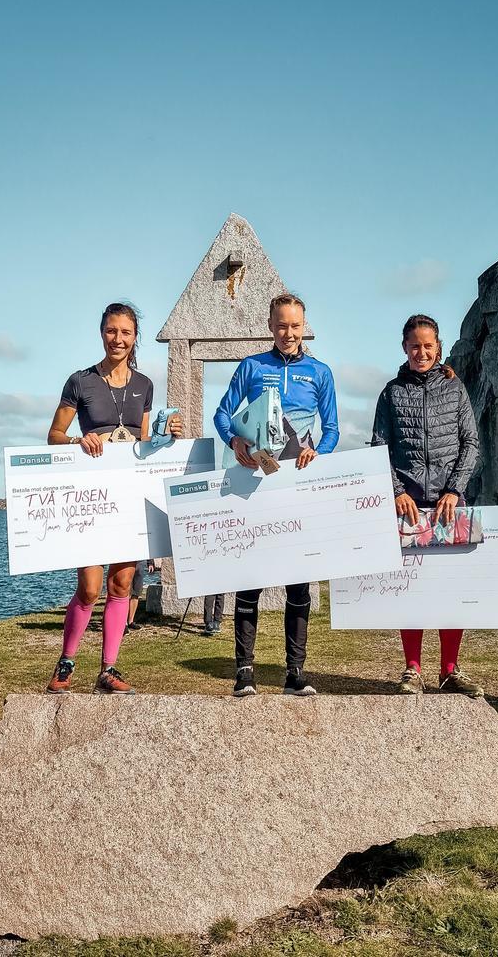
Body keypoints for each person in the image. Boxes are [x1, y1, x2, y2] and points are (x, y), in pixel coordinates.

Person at [45, 302, 182, 695]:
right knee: (89, 587)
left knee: (121, 585)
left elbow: (144, 442)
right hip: (90, 497)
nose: (118, 339)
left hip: (129, 497)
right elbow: (53, 435)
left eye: (125, 332)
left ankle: (108, 670)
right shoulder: (80, 381)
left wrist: (167, 436)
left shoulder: (145, 385)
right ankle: (67, 662)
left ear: (135, 336)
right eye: (111, 331)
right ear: (101, 333)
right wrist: (77, 439)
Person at [214, 293, 339, 697]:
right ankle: (244, 671)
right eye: (281, 325)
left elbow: (333, 429)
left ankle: (294, 673)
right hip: (257, 481)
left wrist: (316, 450)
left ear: (305, 326)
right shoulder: (251, 366)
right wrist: (234, 441)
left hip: (297, 485)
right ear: (270, 325)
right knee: (249, 580)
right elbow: (222, 413)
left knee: (297, 584)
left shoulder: (320, 373)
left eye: (295, 326)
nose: (288, 333)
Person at [371, 313, 483, 697]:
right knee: (411, 589)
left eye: (428, 346)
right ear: (404, 347)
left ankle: (450, 670)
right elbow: (379, 447)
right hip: (407, 506)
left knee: (451, 589)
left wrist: (454, 489)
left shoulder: (455, 390)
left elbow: (471, 443)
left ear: (439, 348)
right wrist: (396, 491)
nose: (421, 352)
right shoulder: (390, 393)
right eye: (415, 346)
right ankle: (413, 670)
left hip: (449, 504)